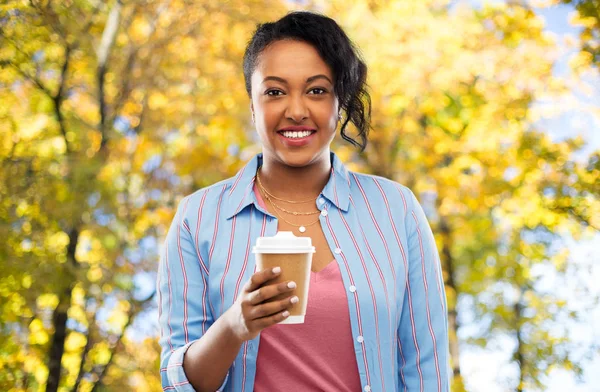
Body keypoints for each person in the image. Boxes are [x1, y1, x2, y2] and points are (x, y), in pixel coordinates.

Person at [158, 11, 450, 392]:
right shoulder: (197, 219)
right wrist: (234, 326)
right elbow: (179, 384)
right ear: (252, 104)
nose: (296, 110)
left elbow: (426, 369)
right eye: (275, 91)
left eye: (316, 90)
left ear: (339, 103)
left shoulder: (396, 209)